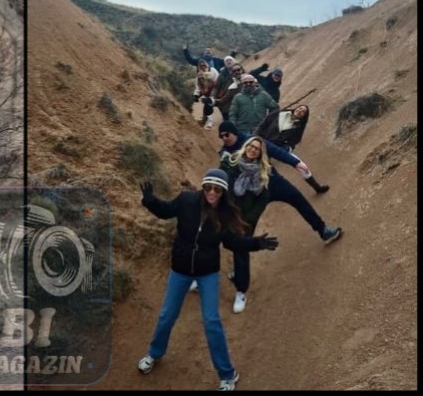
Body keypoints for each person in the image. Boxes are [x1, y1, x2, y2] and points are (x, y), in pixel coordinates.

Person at [137, 169, 279, 391]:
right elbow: (165, 212)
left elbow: (233, 243)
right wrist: (150, 201)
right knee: (167, 315)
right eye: (208, 187)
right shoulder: (186, 200)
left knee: (212, 322)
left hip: (207, 273)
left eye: (217, 188)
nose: (212, 192)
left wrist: (256, 244)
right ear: (203, 187)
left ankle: (227, 375)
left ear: (223, 190)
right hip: (180, 270)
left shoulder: (225, 215)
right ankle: (154, 354)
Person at [217, 122, 342, 246]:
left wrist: (295, 163)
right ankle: (241, 260)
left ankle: (323, 230)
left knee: (298, 199)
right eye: (221, 136)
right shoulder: (225, 154)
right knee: (247, 226)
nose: (224, 138)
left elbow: (275, 151)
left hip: (272, 181)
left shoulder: (251, 140)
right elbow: (224, 176)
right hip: (253, 193)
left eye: (226, 135)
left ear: (234, 133)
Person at [220, 137, 274, 314]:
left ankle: (241, 291)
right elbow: (222, 185)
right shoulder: (232, 164)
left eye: (257, 149)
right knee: (209, 240)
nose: (252, 149)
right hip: (226, 213)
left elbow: (262, 201)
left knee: (241, 250)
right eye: (251, 146)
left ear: (260, 154)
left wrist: (245, 221)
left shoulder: (263, 174)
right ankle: (199, 275)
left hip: (245, 220)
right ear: (245, 147)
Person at [255, 104, 330, 194]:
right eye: (300, 108)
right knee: (262, 171)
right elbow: (262, 125)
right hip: (263, 143)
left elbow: (296, 139)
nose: (300, 111)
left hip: (280, 148)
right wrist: (255, 138)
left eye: (303, 112)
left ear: (303, 116)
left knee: (301, 165)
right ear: (295, 108)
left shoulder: (298, 126)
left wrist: (289, 147)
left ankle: (317, 187)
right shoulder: (278, 114)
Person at [193, 59, 220, 129]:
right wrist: (196, 94)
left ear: (206, 64)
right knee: (207, 104)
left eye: (203, 65)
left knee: (221, 104)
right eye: (201, 65)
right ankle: (208, 121)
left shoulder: (212, 70)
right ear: (199, 66)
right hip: (206, 92)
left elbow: (218, 78)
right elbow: (197, 86)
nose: (203, 66)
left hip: (215, 90)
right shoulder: (199, 75)